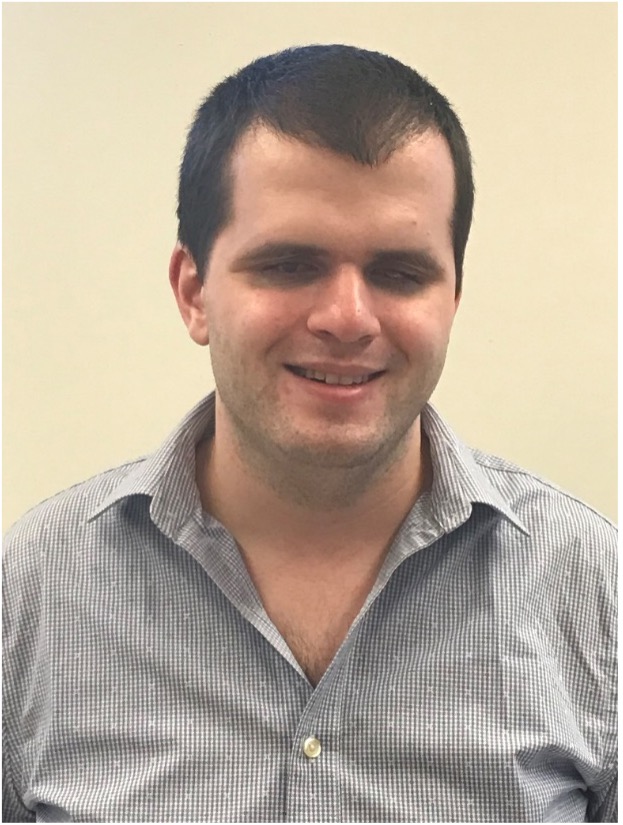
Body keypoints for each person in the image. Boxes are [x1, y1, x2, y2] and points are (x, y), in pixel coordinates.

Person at [3, 44, 616, 824]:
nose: (347, 318)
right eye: (290, 265)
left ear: (452, 297)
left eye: (398, 272)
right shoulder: (32, 592)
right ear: (193, 292)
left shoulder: (595, 596)